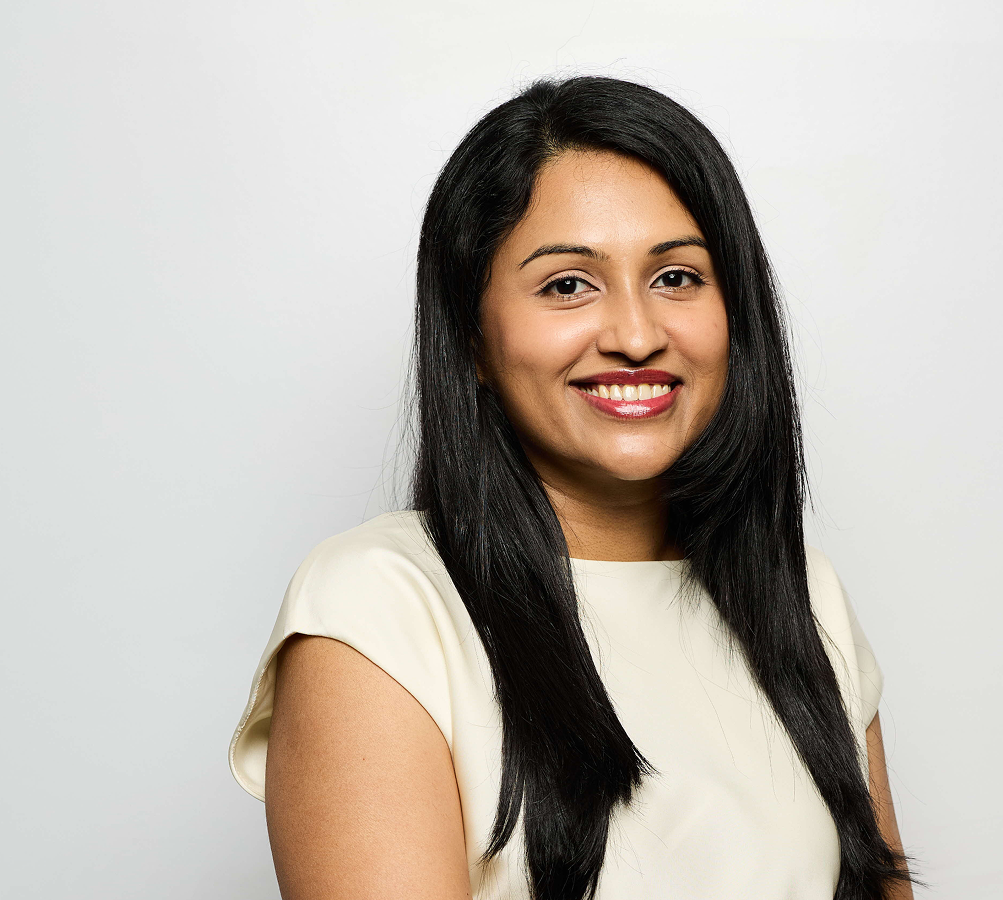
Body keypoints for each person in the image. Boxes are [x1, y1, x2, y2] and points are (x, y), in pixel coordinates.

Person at [228, 75, 915, 900]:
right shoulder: (379, 610)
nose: (636, 335)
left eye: (677, 278)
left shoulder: (803, 595)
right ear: (472, 339)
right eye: (567, 285)